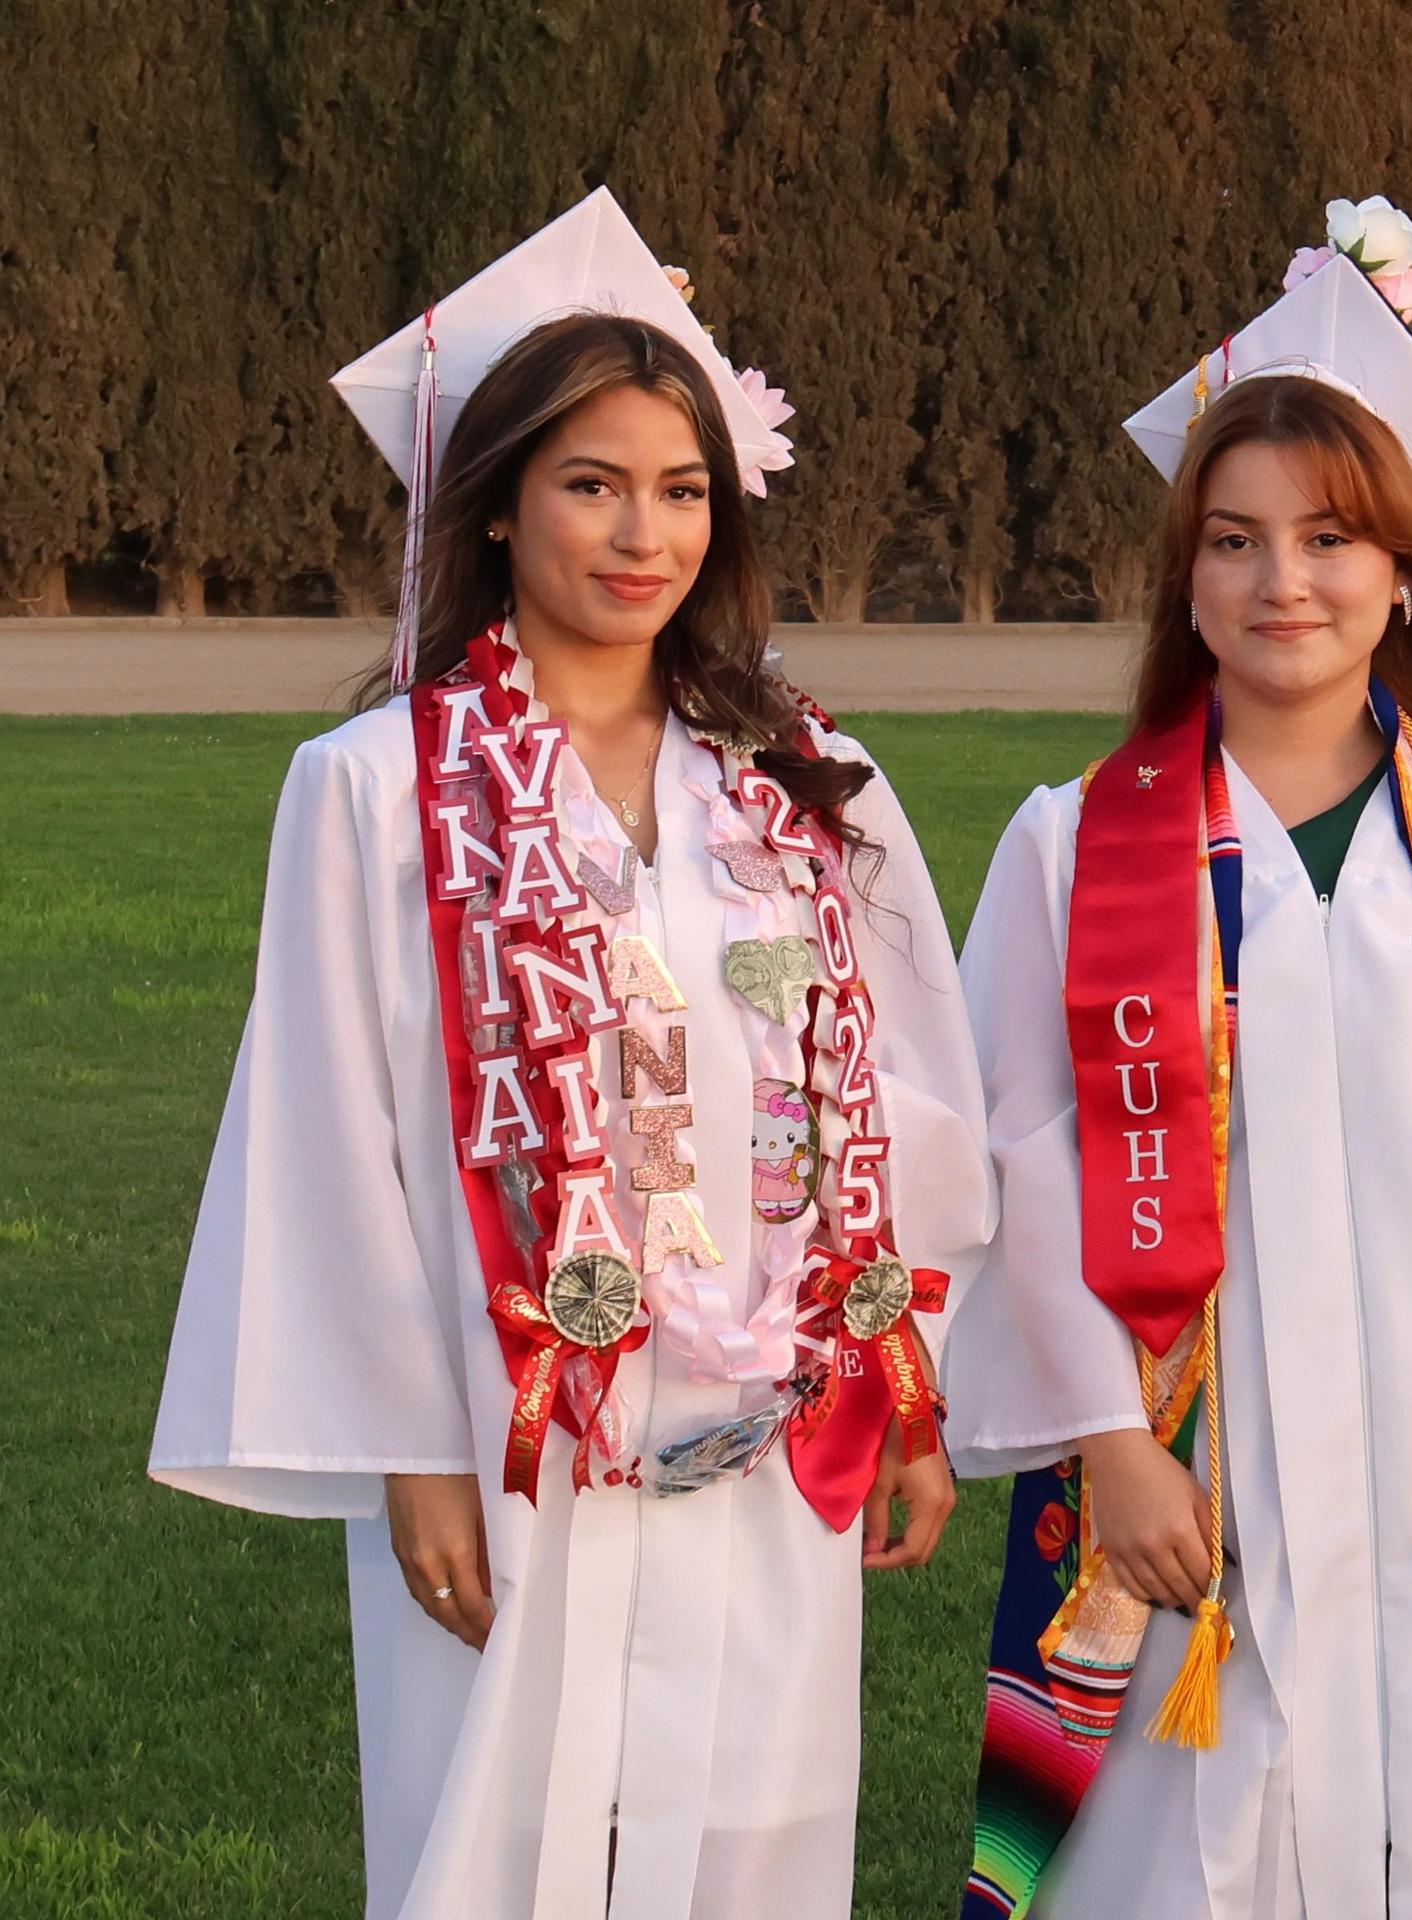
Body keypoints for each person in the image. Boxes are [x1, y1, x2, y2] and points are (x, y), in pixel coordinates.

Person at [149, 189, 992, 1920]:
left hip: (769, 1410)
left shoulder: (803, 778)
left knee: (753, 1823)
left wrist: (905, 1387)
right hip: (505, 1404)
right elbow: (334, 1135)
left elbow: (901, 1095)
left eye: (681, 489)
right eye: (591, 484)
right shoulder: (381, 790)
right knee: (504, 1837)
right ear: (499, 500)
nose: (641, 534)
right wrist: (414, 1451)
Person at [946, 194, 1412, 1919]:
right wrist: (1106, 1443)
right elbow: (1012, 1160)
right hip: (1199, 1476)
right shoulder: (1077, 848)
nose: (1286, 581)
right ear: (1184, 580)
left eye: (1335, 537)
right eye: (1237, 540)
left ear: (1407, 569)